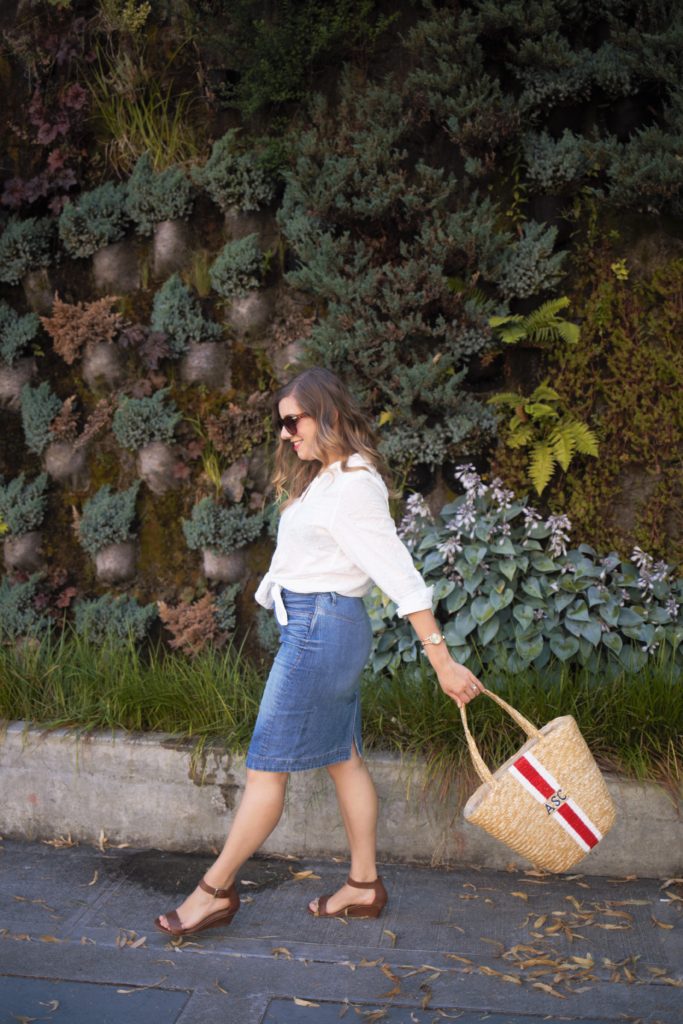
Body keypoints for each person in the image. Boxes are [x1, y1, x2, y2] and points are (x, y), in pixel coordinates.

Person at [155, 367, 483, 937]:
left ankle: (214, 892)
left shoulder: (353, 484)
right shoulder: (328, 479)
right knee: (344, 755)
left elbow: (401, 577)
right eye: (281, 424)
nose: (285, 434)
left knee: (265, 771)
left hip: (320, 631)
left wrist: (442, 661)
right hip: (324, 626)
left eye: (293, 420)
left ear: (326, 413)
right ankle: (363, 884)